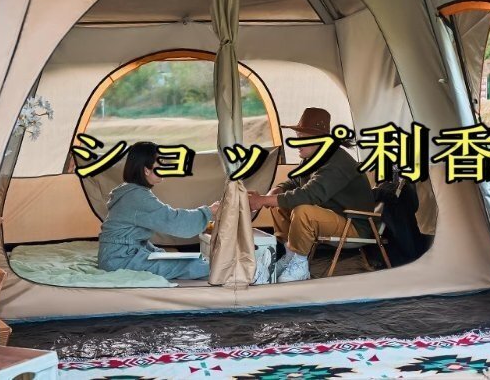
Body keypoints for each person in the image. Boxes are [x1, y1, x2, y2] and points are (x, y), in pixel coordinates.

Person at [248, 108, 376, 282]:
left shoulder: (338, 162)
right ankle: (290, 254)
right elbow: (295, 182)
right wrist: (276, 191)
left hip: (353, 225)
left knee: (303, 210)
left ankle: (300, 264)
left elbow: (310, 194)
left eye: (302, 138)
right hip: (333, 216)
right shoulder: (313, 158)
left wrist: (263, 200)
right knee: (278, 205)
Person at [98, 141, 220, 280]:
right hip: (119, 259)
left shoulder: (132, 192)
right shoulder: (137, 197)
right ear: (146, 170)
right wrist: (209, 211)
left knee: (188, 260)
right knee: (199, 267)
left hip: (117, 255)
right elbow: (173, 221)